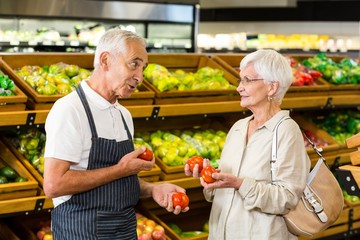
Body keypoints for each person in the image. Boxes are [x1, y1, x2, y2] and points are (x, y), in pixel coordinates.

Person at [43, 28, 188, 240]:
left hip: (124, 230)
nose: (140, 76)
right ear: (105, 61)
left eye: (143, 68)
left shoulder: (123, 115)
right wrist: (121, 169)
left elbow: (117, 182)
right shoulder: (70, 109)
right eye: (134, 64)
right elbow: (54, 185)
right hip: (82, 232)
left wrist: (153, 189)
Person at [185, 49, 310, 239]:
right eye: (240, 80)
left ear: (272, 87)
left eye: (248, 80)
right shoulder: (238, 128)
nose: (239, 88)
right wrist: (211, 179)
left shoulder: (286, 130)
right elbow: (226, 189)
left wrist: (239, 184)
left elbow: (287, 198)